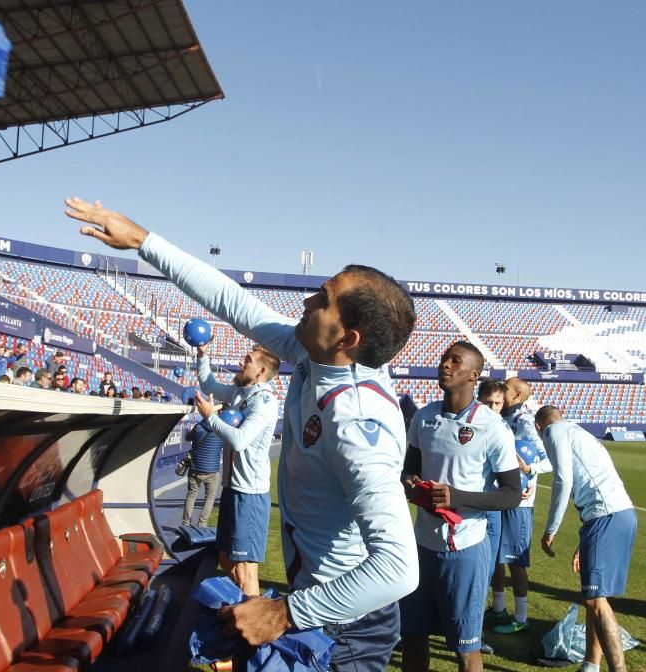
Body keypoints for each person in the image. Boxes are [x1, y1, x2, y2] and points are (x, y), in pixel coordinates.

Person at [68, 196, 418, 670]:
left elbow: (398, 570)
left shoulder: (358, 423)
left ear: (347, 339)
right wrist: (143, 241)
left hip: (349, 627)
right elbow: (234, 302)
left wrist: (284, 613)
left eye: (324, 299)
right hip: (324, 599)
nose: (308, 301)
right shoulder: (312, 356)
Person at [399, 342, 522, 672]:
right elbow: (408, 470)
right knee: (412, 636)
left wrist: (458, 497)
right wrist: (410, 483)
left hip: (465, 547)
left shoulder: (493, 428)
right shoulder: (424, 417)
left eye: (455, 361)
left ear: (474, 374)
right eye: (443, 359)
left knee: (465, 649)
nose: (445, 365)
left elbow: (512, 494)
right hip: (421, 545)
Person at [536, 406, 636, 672]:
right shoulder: (580, 432)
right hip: (619, 513)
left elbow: (563, 480)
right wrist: (585, 542)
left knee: (595, 600)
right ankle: (591, 665)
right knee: (595, 596)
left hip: (605, 517)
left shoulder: (552, 431)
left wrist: (551, 528)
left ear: (539, 427)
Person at [193, 337, 280, 597]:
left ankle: (252, 628)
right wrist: (202, 356)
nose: (243, 363)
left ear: (261, 372)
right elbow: (208, 384)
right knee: (226, 560)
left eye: (248, 361)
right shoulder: (240, 393)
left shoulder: (263, 402)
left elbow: (240, 441)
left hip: (250, 494)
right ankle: (245, 607)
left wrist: (211, 417)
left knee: (246, 570)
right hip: (232, 489)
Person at [489, 377, 553, 634]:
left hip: (519, 503)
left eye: (505, 387)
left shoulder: (524, 422)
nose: (500, 389)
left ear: (516, 395)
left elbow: (549, 458)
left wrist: (530, 471)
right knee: (494, 558)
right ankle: (498, 609)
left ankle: (522, 616)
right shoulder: (496, 417)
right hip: (496, 497)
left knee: (516, 561)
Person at [476, 378, 509, 622]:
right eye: (489, 402)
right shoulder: (473, 426)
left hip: (494, 506)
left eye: (498, 403)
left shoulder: (503, 427)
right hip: (474, 503)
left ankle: (474, 627)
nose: (494, 408)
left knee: (487, 568)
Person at [182, 412, 225, 528]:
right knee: (210, 498)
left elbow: (187, 437)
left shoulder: (198, 427)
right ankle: (202, 523)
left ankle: (186, 522)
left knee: (191, 495)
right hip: (212, 471)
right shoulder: (221, 431)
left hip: (195, 468)